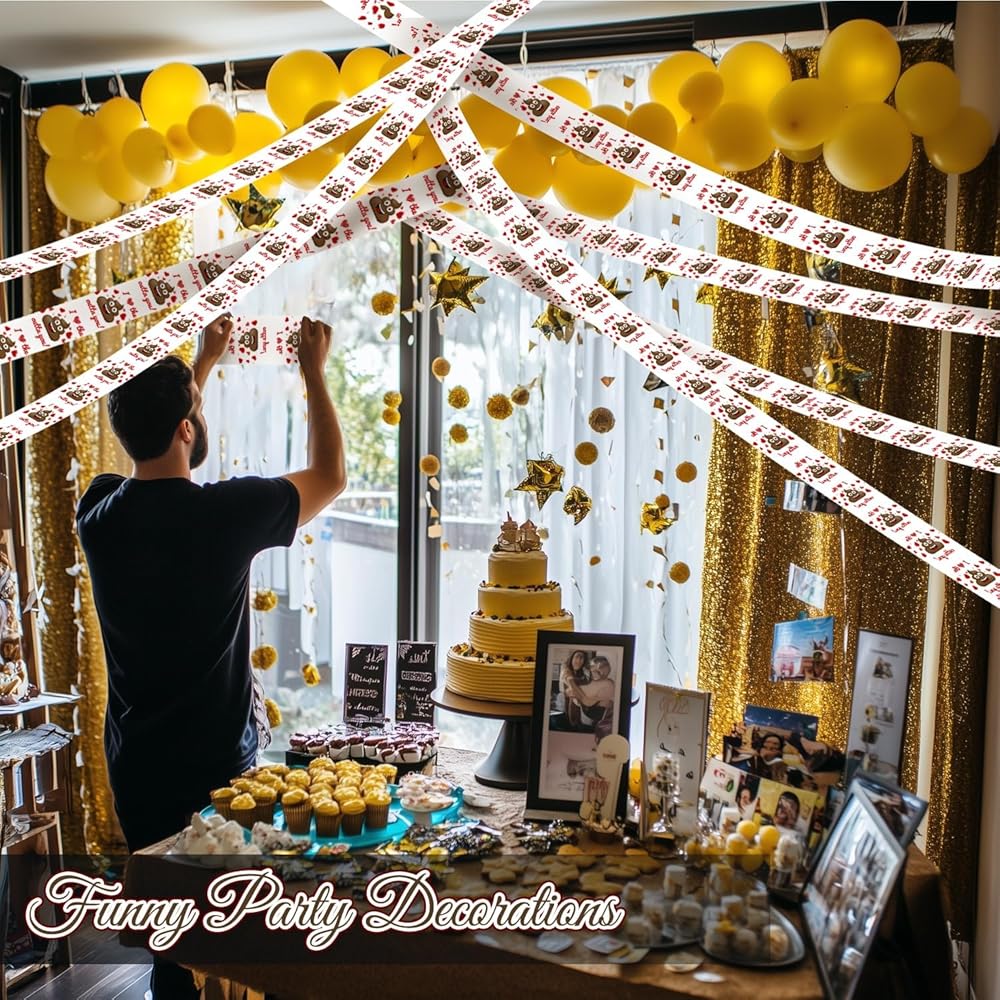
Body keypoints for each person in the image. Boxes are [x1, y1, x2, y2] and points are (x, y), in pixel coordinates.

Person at [77, 315, 345, 999]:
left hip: (135, 761)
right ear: (188, 429)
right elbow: (330, 476)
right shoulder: (227, 514)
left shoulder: (97, 512)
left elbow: (159, 451)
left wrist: (199, 368)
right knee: (236, 929)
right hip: (215, 764)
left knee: (172, 936)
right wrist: (313, 371)